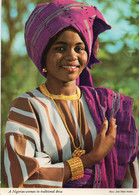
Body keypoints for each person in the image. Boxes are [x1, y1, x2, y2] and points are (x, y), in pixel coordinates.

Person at [4, 0, 138, 188]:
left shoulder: (108, 105)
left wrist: (57, 168)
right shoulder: (27, 106)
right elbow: (21, 180)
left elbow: (129, 175)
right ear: (43, 55)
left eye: (79, 48)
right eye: (60, 48)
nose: (72, 56)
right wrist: (90, 159)